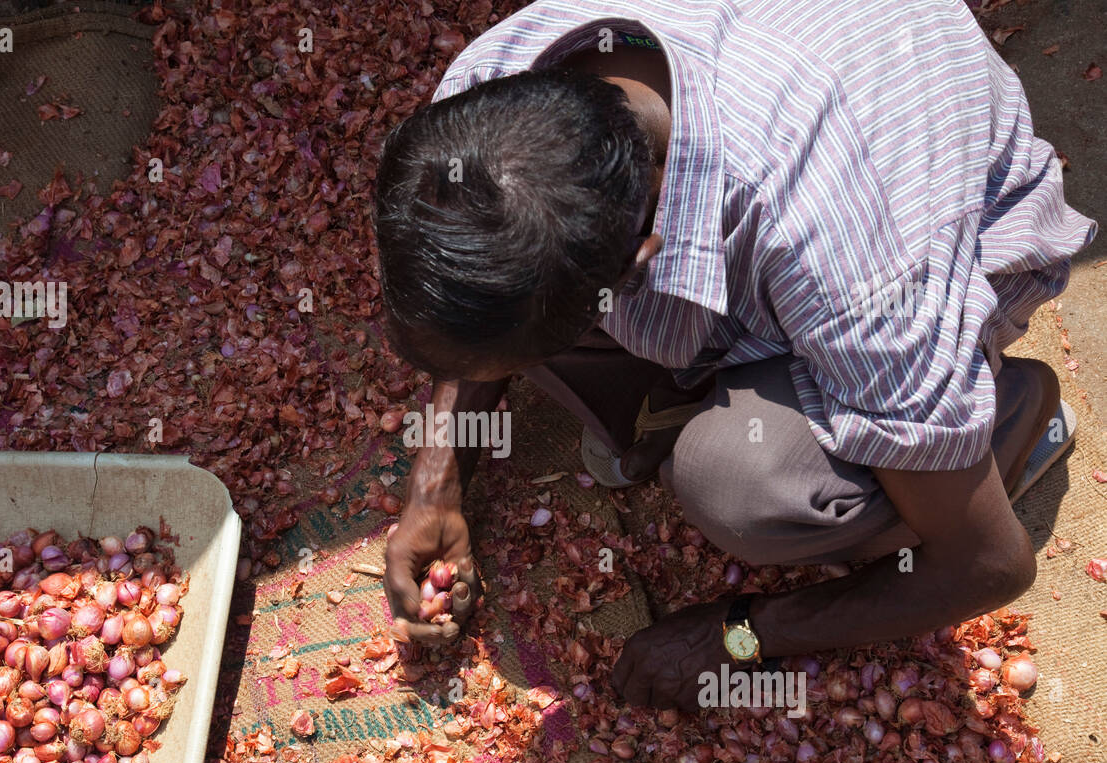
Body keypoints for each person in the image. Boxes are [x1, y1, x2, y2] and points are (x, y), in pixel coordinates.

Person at [372, 0, 1097, 711]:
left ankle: (1006, 415)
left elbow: (989, 567)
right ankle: (685, 381)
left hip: (913, 208)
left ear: (639, 267)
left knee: (737, 486)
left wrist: (739, 637)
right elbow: (476, 295)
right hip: (779, 176)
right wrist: (438, 478)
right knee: (521, 314)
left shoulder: (848, 260)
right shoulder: (486, 98)